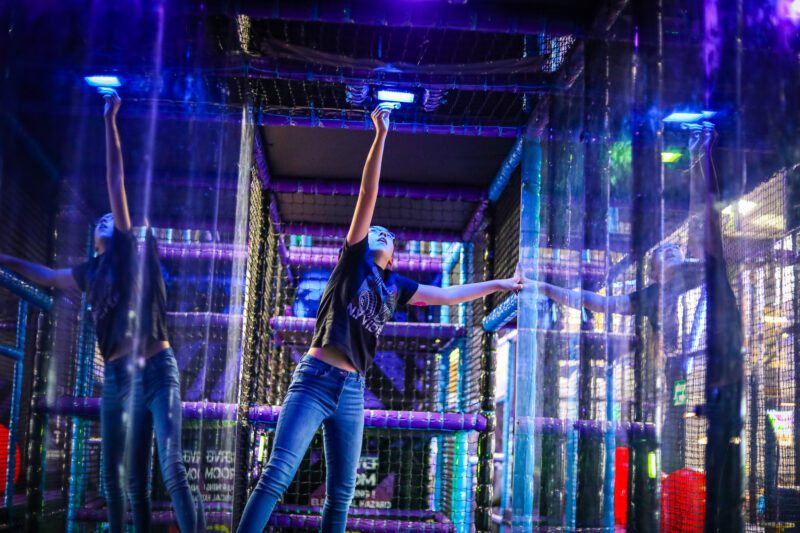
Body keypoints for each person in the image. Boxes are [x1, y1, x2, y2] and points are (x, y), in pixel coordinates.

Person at [236, 104, 523, 532]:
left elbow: (448, 295)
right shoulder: (353, 261)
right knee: (276, 476)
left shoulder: (396, 286)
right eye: (376, 231)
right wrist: (380, 135)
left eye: (387, 236)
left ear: (394, 257)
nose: (380, 232)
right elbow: (368, 195)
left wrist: (499, 284)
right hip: (315, 378)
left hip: (351, 389)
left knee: (342, 497)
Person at [0, 89, 203, 532]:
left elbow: (116, 184)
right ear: (93, 237)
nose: (109, 221)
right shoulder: (90, 271)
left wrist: (110, 120)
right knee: (121, 480)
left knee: (172, 468)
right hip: (117, 379)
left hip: (155, 368)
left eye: (113, 219)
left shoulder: (132, 251)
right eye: (101, 222)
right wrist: (4, 260)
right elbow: (43, 273)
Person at [531, 122, 743, 479]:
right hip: (683, 373)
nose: (671, 249)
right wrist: (546, 287)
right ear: (655, 271)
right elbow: (595, 301)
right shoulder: (649, 297)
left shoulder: (702, 271)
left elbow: (703, 219)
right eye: (664, 252)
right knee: (688, 435)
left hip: (725, 355)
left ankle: (700, 151)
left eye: (674, 247)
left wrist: (703, 158)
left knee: (706, 222)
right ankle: (676, 481)